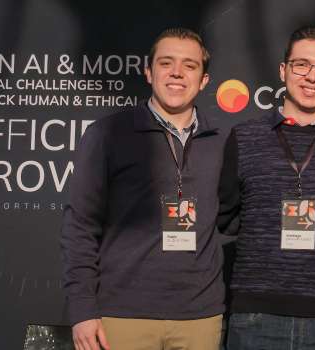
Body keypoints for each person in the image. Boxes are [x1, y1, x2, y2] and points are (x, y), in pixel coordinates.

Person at [61, 28, 226, 350]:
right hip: (122, 316)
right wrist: (82, 310)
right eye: (166, 63)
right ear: (148, 72)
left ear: (204, 80)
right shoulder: (108, 134)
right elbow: (80, 225)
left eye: (190, 66)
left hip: (199, 318)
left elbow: (233, 213)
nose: (177, 73)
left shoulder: (222, 140)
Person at [217, 25, 315, 349]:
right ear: (284, 70)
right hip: (254, 316)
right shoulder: (244, 137)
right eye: (302, 65)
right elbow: (226, 216)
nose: (312, 76)